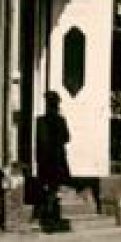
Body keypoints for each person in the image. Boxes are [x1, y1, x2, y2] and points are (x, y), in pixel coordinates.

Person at [34, 91, 72, 233]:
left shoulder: (41, 121)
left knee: (48, 186)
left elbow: (40, 140)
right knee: (54, 188)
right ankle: (51, 216)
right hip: (57, 158)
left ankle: (48, 214)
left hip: (45, 158)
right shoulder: (60, 120)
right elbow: (67, 137)